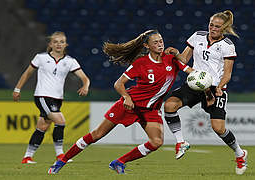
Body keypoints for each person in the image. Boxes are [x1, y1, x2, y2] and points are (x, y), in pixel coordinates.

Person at [47, 30, 204, 175]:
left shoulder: (171, 60)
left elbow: (192, 73)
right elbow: (118, 84)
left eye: (161, 41)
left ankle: (119, 162)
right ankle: (61, 161)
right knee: (97, 134)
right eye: (155, 42)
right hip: (130, 105)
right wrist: (127, 98)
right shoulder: (140, 63)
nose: (160, 44)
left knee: (156, 142)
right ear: (146, 46)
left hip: (150, 110)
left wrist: (205, 80)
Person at [163, 10, 248, 175]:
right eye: (211, 25)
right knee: (170, 105)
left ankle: (239, 153)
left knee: (218, 128)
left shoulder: (227, 45)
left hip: (215, 87)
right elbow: (184, 59)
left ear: (223, 28)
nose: (213, 29)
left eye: (217, 26)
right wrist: (175, 53)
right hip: (195, 83)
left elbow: (227, 73)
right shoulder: (198, 36)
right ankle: (181, 142)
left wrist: (219, 87)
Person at [13, 31, 90, 164]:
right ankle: (60, 155)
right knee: (60, 121)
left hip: (57, 98)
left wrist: (85, 86)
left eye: (61, 42)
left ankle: (27, 157)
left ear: (66, 44)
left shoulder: (70, 61)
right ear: (50, 44)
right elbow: (27, 74)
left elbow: (85, 78)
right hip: (42, 95)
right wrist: (17, 89)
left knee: (42, 127)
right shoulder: (40, 58)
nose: (58, 44)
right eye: (55, 42)